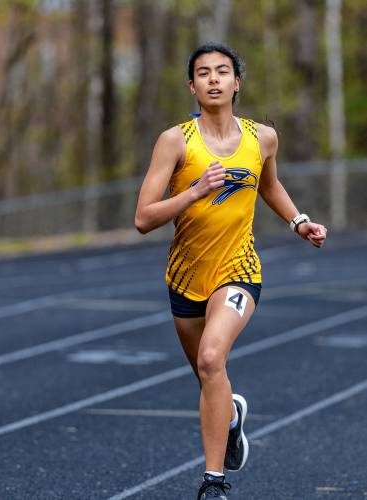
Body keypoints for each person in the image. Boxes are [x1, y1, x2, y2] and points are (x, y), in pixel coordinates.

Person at [135, 42, 327, 499]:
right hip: (185, 277)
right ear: (192, 85)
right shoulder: (175, 141)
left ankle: (213, 482)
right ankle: (234, 417)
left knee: (210, 358)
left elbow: (270, 184)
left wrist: (298, 221)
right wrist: (195, 191)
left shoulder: (263, 137)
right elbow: (143, 218)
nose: (214, 79)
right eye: (204, 73)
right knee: (207, 376)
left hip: (238, 268)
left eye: (223, 71)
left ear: (237, 82)